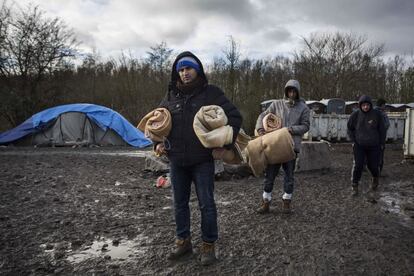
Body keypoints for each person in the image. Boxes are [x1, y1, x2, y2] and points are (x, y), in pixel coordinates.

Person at [154, 51, 242, 265]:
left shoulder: (211, 93)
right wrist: (156, 143)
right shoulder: (170, 96)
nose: (184, 73)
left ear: (198, 70)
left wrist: (225, 145)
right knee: (179, 204)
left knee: (206, 204)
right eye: (181, 70)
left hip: (202, 160)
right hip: (177, 161)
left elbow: (235, 117)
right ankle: (183, 243)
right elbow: (157, 123)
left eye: (188, 68)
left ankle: (208, 246)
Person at [255, 79, 310, 214]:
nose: (291, 93)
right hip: (274, 146)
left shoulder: (304, 108)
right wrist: (260, 128)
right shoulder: (276, 104)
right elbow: (263, 115)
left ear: (297, 93)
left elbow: (306, 126)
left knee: (289, 177)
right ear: (286, 91)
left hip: (291, 147)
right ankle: (266, 202)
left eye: (294, 91)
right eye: (289, 91)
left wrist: (291, 129)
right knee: (270, 175)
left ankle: (286, 202)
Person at [347, 95, 386, 196]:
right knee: (358, 165)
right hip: (359, 145)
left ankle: (375, 179)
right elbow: (349, 128)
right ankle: (354, 186)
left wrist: (382, 143)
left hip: (374, 145)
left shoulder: (377, 114)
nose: (365, 107)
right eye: (363, 105)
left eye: (367, 105)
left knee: (373, 166)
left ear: (370, 105)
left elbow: (382, 129)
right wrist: (353, 141)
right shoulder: (355, 115)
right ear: (360, 106)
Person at [374, 98, 390, 174]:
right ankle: (378, 171)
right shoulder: (383, 114)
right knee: (380, 155)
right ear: (382, 105)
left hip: (370, 138)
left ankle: (366, 168)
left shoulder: (371, 112)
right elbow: (387, 125)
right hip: (380, 138)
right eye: (385, 105)